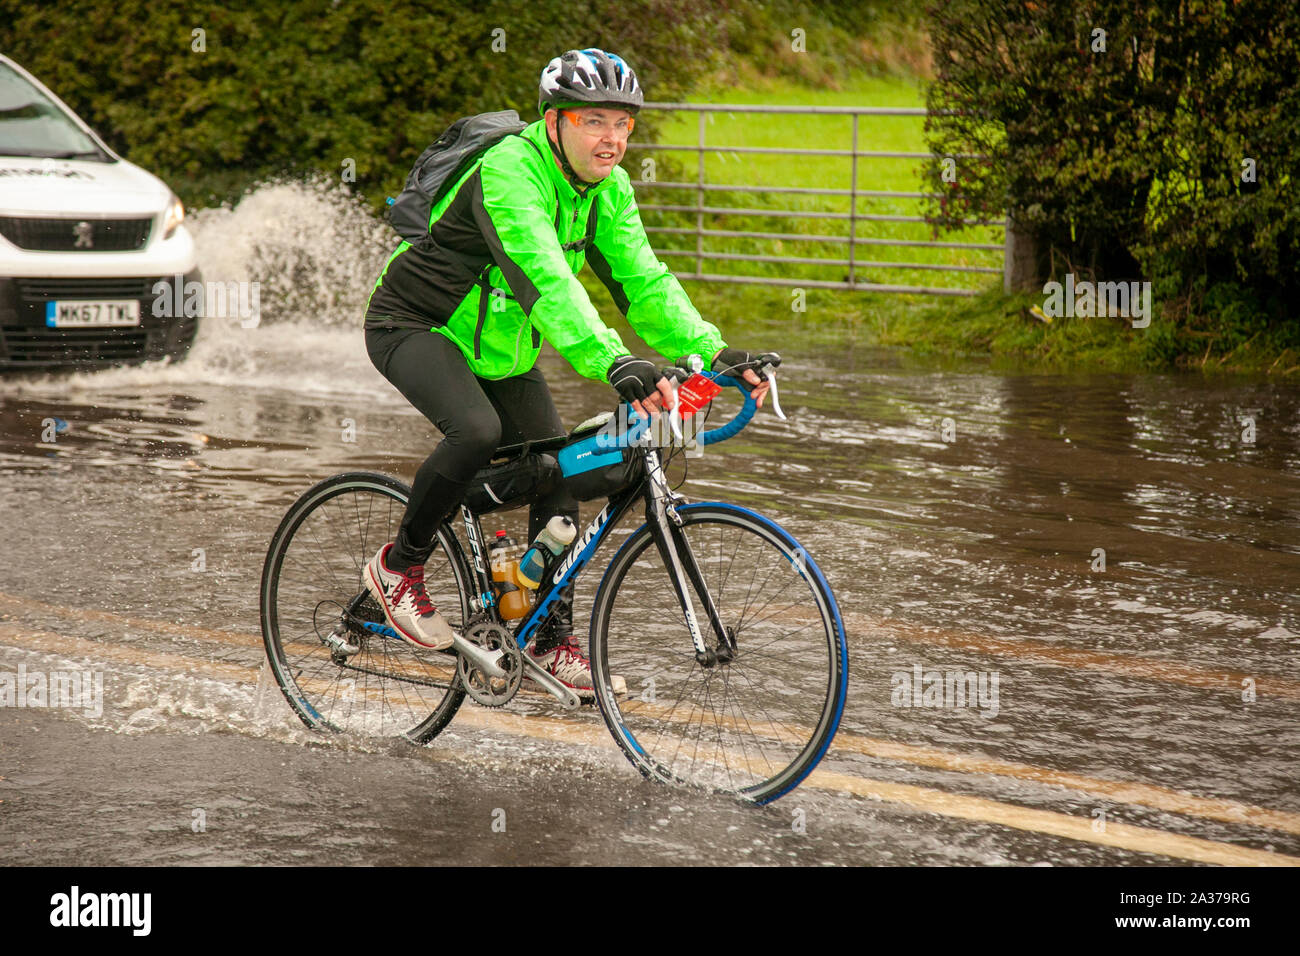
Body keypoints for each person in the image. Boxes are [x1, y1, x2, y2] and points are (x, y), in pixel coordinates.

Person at [362, 47, 773, 697]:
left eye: (623, 124)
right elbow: (547, 284)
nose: (612, 140)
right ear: (554, 122)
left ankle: (546, 635)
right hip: (414, 324)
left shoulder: (609, 189)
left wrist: (711, 351)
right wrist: (615, 361)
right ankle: (398, 569)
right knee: (473, 430)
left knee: (560, 472)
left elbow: (643, 281)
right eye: (594, 121)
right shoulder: (509, 172)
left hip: (505, 352)